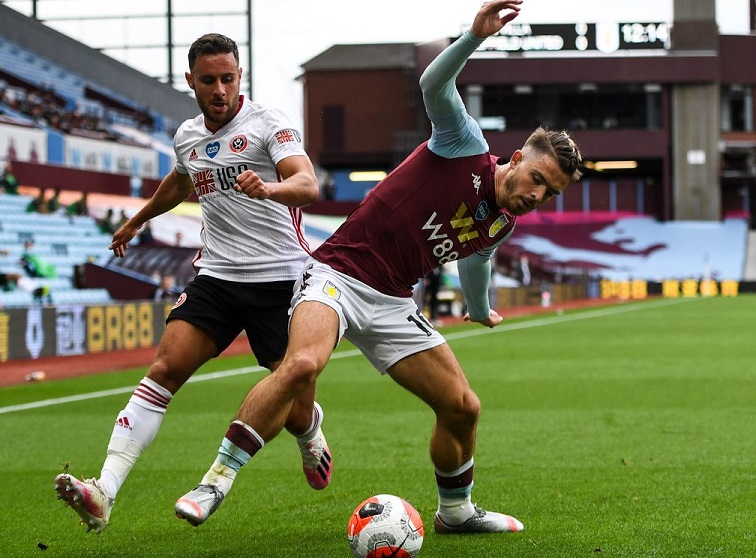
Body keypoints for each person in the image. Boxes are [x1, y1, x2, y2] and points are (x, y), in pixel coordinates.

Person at [174, 0, 583, 535]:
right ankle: (215, 481)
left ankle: (455, 512)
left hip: (393, 300)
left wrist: (481, 310)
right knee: (300, 366)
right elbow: (434, 84)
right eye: (538, 179)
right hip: (338, 273)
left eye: (550, 193)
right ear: (515, 158)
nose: (538, 194)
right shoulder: (465, 146)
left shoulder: (502, 222)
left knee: (463, 406)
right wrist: (473, 38)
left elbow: (477, 261)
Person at [54, 32, 331, 535]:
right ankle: (104, 491)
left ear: (240, 76)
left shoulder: (270, 125)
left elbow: (308, 184)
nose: (220, 89)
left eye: (228, 78)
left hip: (280, 279)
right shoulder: (187, 135)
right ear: (190, 82)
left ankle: (310, 433)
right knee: (164, 369)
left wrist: (269, 188)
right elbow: (181, 180)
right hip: (217, 277)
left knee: (293, 404)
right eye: (209, 80)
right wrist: (137, 220)